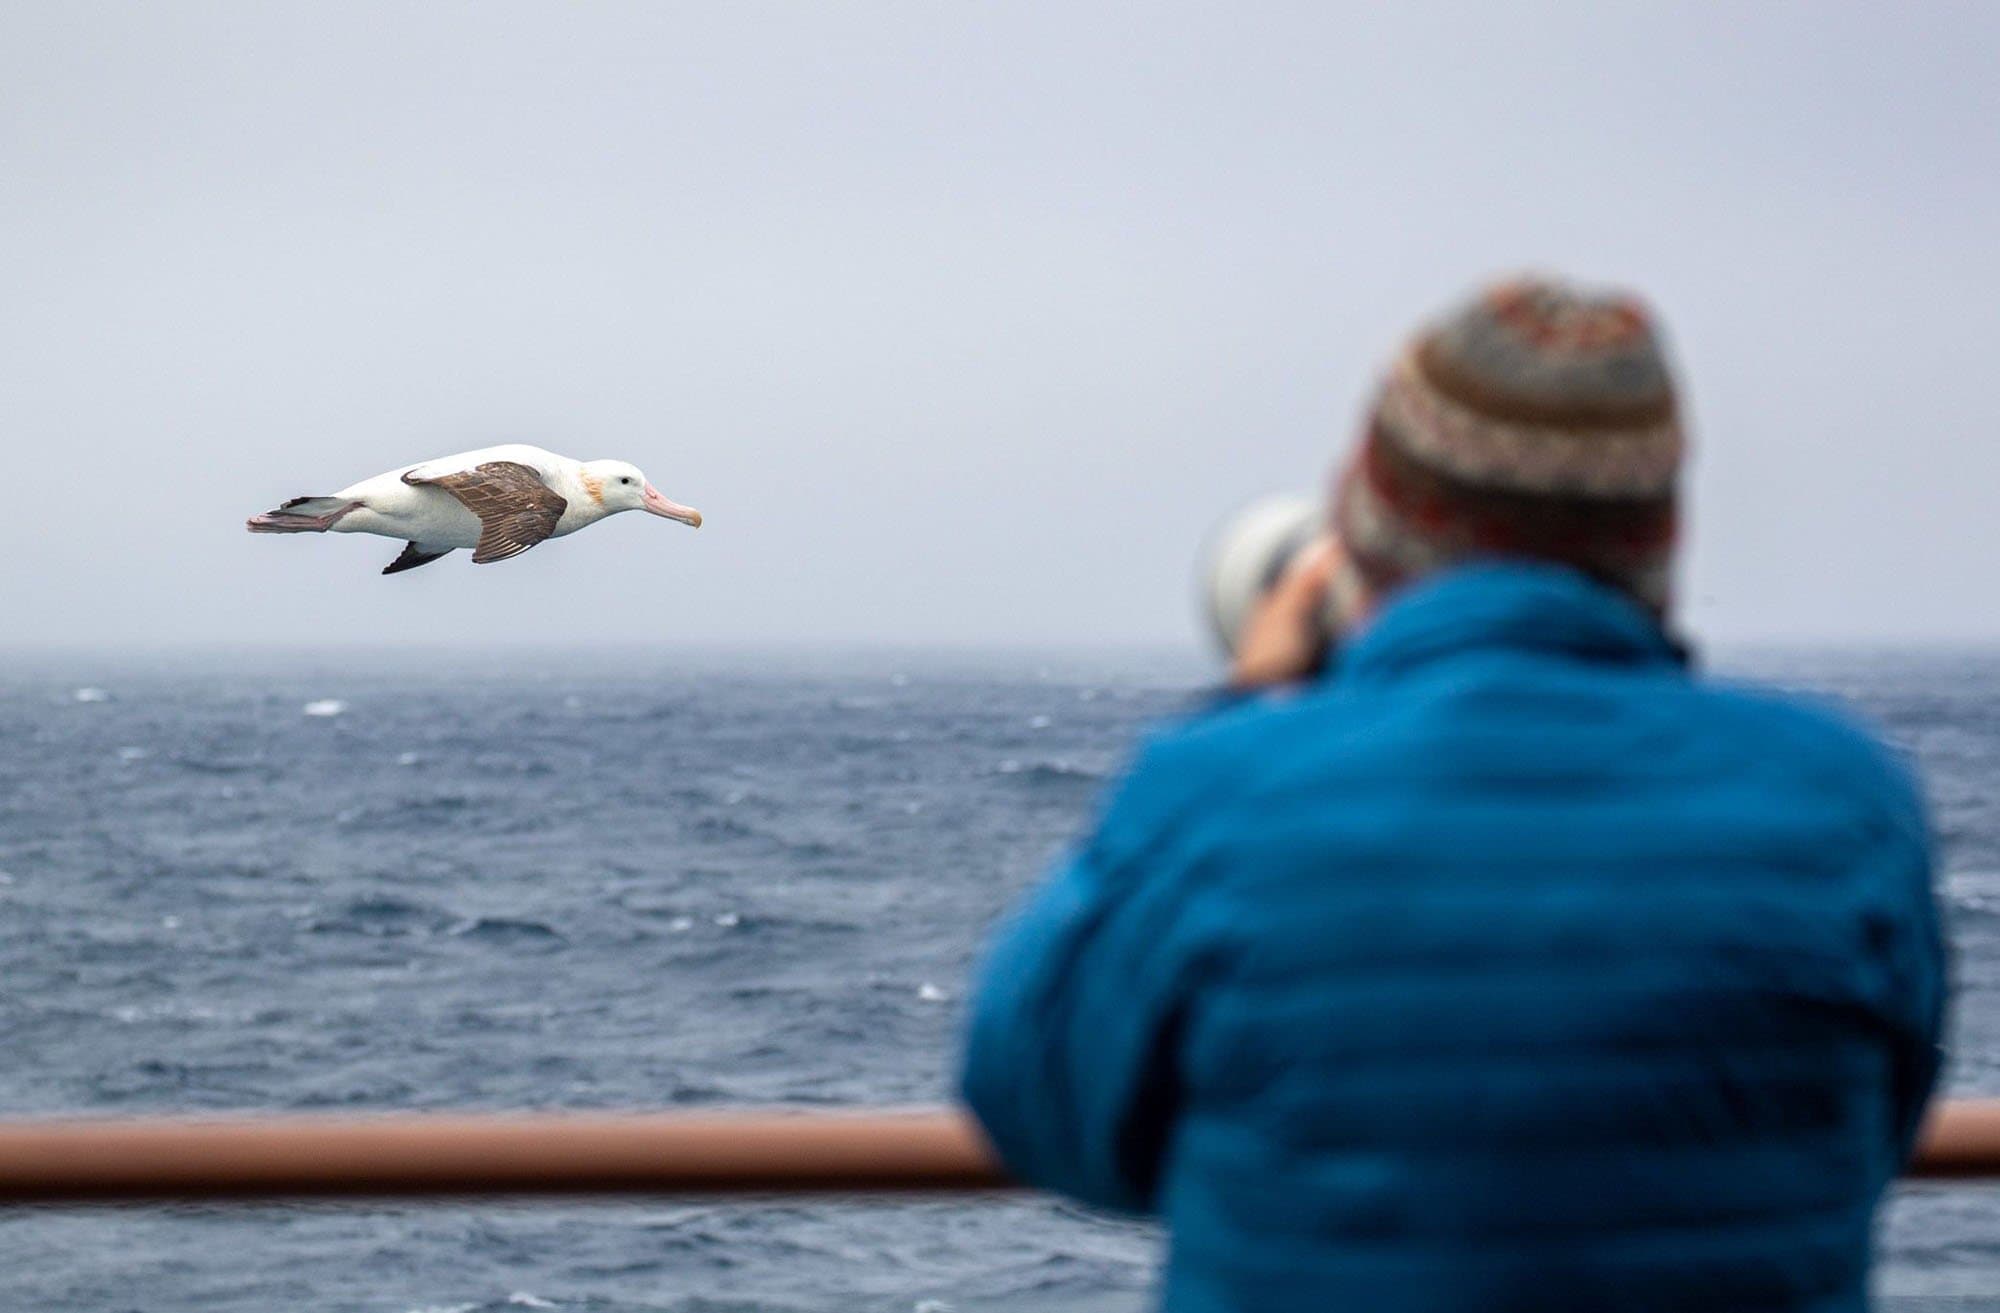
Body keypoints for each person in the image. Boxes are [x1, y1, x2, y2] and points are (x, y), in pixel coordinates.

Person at [959, 277, 1947, 1311]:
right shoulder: (1842, 799)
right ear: (1660, 536)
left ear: (1364, 511)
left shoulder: (1217, 791)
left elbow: (1038, 1108)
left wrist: (1250, 704)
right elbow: (1873, 1119)